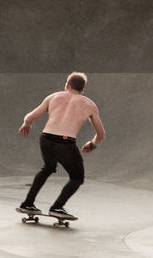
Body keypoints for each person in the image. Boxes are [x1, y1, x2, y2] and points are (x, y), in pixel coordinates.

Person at [16, 72, 106, 220]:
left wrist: (27, 124)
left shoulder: (53, 97)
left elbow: (30, 116)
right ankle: (57, 207)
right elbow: (101, 134)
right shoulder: (89, 104)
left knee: (48, 168)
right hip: (65, 143)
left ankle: (27, 203)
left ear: (67, 85)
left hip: (46, 139)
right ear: (82, 90)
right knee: (77, 178)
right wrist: (92, 144)